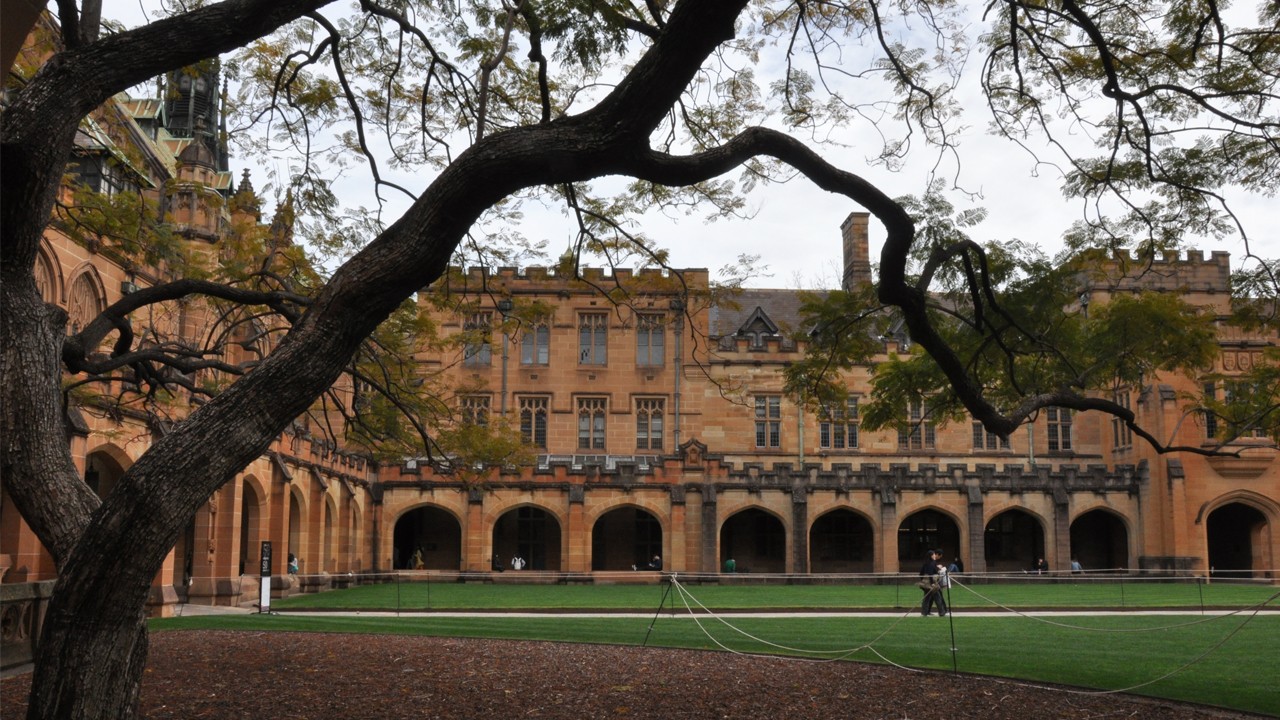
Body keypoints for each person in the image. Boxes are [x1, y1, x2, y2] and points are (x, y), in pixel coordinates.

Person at [918, 549, 946, 616]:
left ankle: (924, 613)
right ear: (931, 556)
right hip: (932, 583)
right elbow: (931, 573)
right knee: (938, 598)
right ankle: (942, 612)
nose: (934, 555)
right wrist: (932, 583)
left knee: (926, 599)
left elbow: (921, 573)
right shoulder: (932, 562)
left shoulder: (926, 563)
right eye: (933, 554)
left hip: (926, 583)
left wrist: (923, 580)